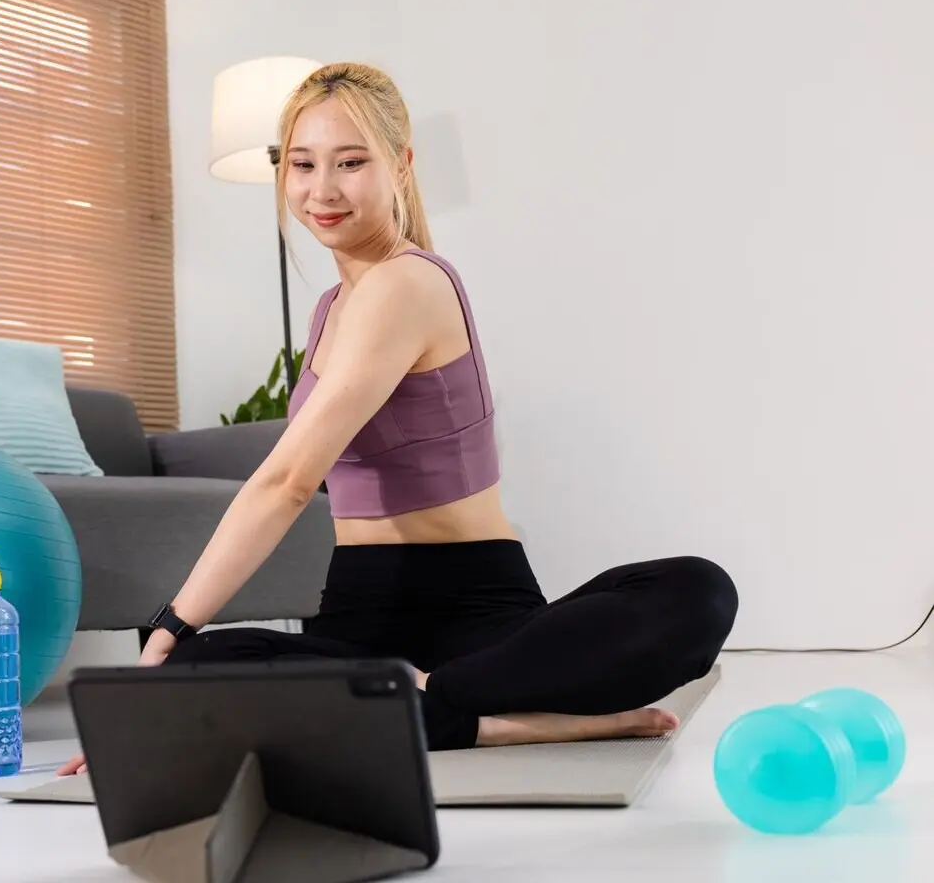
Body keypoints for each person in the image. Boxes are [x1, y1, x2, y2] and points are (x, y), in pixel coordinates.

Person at [57, 61, 737, 776]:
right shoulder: (328, 311)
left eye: (350, 163)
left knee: (697, 590)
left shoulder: (407, 282)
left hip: (482, 614)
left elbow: (288, 481)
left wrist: (168, 628)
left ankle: (431, 698)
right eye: (302, 164)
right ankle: (499, 723)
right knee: (212, 663)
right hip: (358, 615)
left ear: (402, 166)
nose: (322, 190)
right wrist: (182, 656)